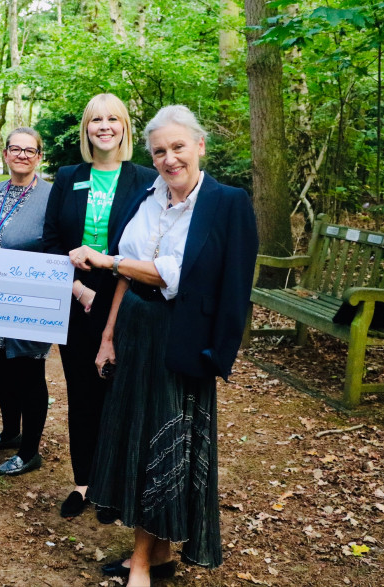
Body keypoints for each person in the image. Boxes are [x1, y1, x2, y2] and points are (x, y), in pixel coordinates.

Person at [68, 105, 258, 584]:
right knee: (138, 438)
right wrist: (108, 336)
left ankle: (139, 565)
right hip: (135, 329)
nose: (169, 159)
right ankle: (161, 555)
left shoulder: (227, 202)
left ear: (199, 146)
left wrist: (107, 260)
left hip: (180, 337)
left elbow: (184, 275)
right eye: (159, 151)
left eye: (177, 147)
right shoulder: (147, 197)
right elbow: (129, 280)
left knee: (166, 444)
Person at [42, 94, 157, 518]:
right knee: (83, 393)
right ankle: (84, 483)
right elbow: (51, 240)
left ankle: (114, 487)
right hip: (76, 300)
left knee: (119, 395)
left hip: (127, 297)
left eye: (113, 119)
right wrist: (77, 287)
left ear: (124, 127)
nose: (104, 126)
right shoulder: (69, 175)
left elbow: (149, 243)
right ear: (86, 129)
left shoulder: (145, 179)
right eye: (96, 120)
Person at [0, 128, 53, 476]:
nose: (22, 155)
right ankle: (9, 433)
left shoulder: (51, 195)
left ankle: (30, 451)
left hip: (28, 299)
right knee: (2, 369)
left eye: (29, 150)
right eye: (15, 149)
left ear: (39, 157)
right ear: (5, 154)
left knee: (29, 373)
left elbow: (58, 243)